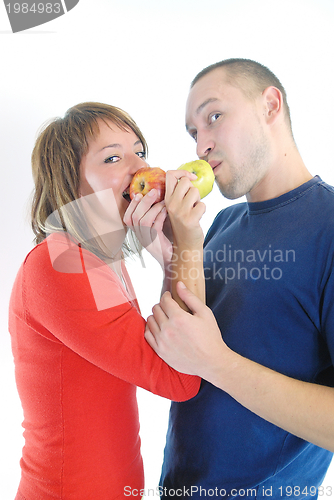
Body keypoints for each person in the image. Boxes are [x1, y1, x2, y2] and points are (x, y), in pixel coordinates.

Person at [145, 59, 334, 498]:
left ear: (270, 105)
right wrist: (174, 256)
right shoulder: (222, 223)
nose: (202, 145)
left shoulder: (328, 226)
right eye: (193, 133)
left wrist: (219, 363)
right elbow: (178, 358)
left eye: (214, 117)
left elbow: (207, 359)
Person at [8, 102, 205, 500]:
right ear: (72, 183)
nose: (138, 167)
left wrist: (170, 255)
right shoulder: (61, 264)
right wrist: (189, 244)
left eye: (140, 151)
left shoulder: (98, 258)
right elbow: (180, 377)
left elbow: (168, 350)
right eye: (113, 157)